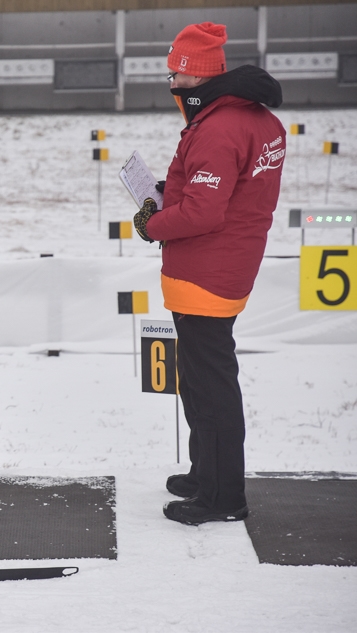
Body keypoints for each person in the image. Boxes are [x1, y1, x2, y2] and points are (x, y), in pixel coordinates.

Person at [133, 22, 284, 525]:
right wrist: (165, 191)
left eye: (175, 72)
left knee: (211, 388)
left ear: (196, 77)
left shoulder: (219, 128)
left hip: (205, 276)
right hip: (225, 267)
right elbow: (224, 192)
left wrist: (153, 224)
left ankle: (223, 498)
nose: (170, 82)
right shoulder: (251, 119)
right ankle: (207, 473)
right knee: (197, 382)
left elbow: (203, 213)